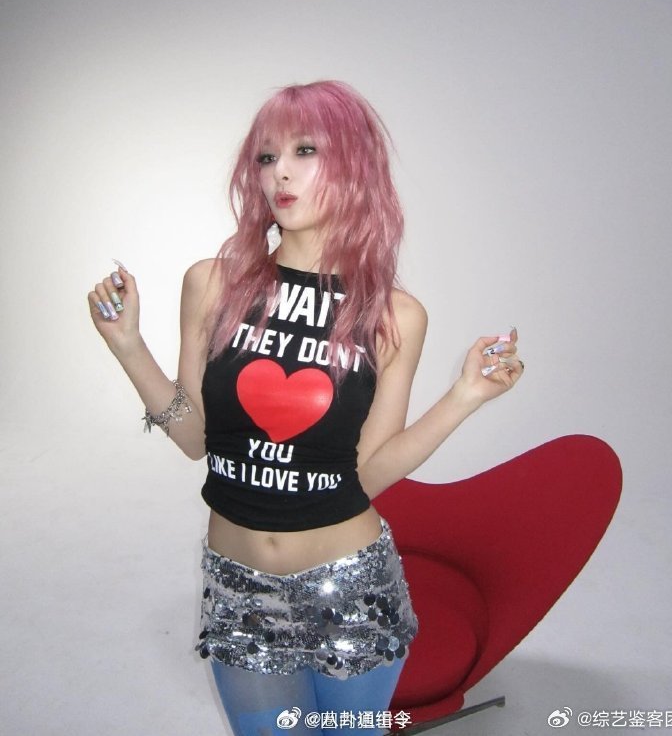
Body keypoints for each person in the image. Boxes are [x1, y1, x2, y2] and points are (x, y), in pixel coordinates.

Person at [87, 80, 523, 736]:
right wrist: (128, 346)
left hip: (350, 589)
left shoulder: (393, 316)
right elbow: (193, 437)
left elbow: (368, 472)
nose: (280, 173)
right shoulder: (214, 285)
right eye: (267, 157)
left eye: (305, 150)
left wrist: (464, 397)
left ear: (355, 167)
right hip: (239, 589)